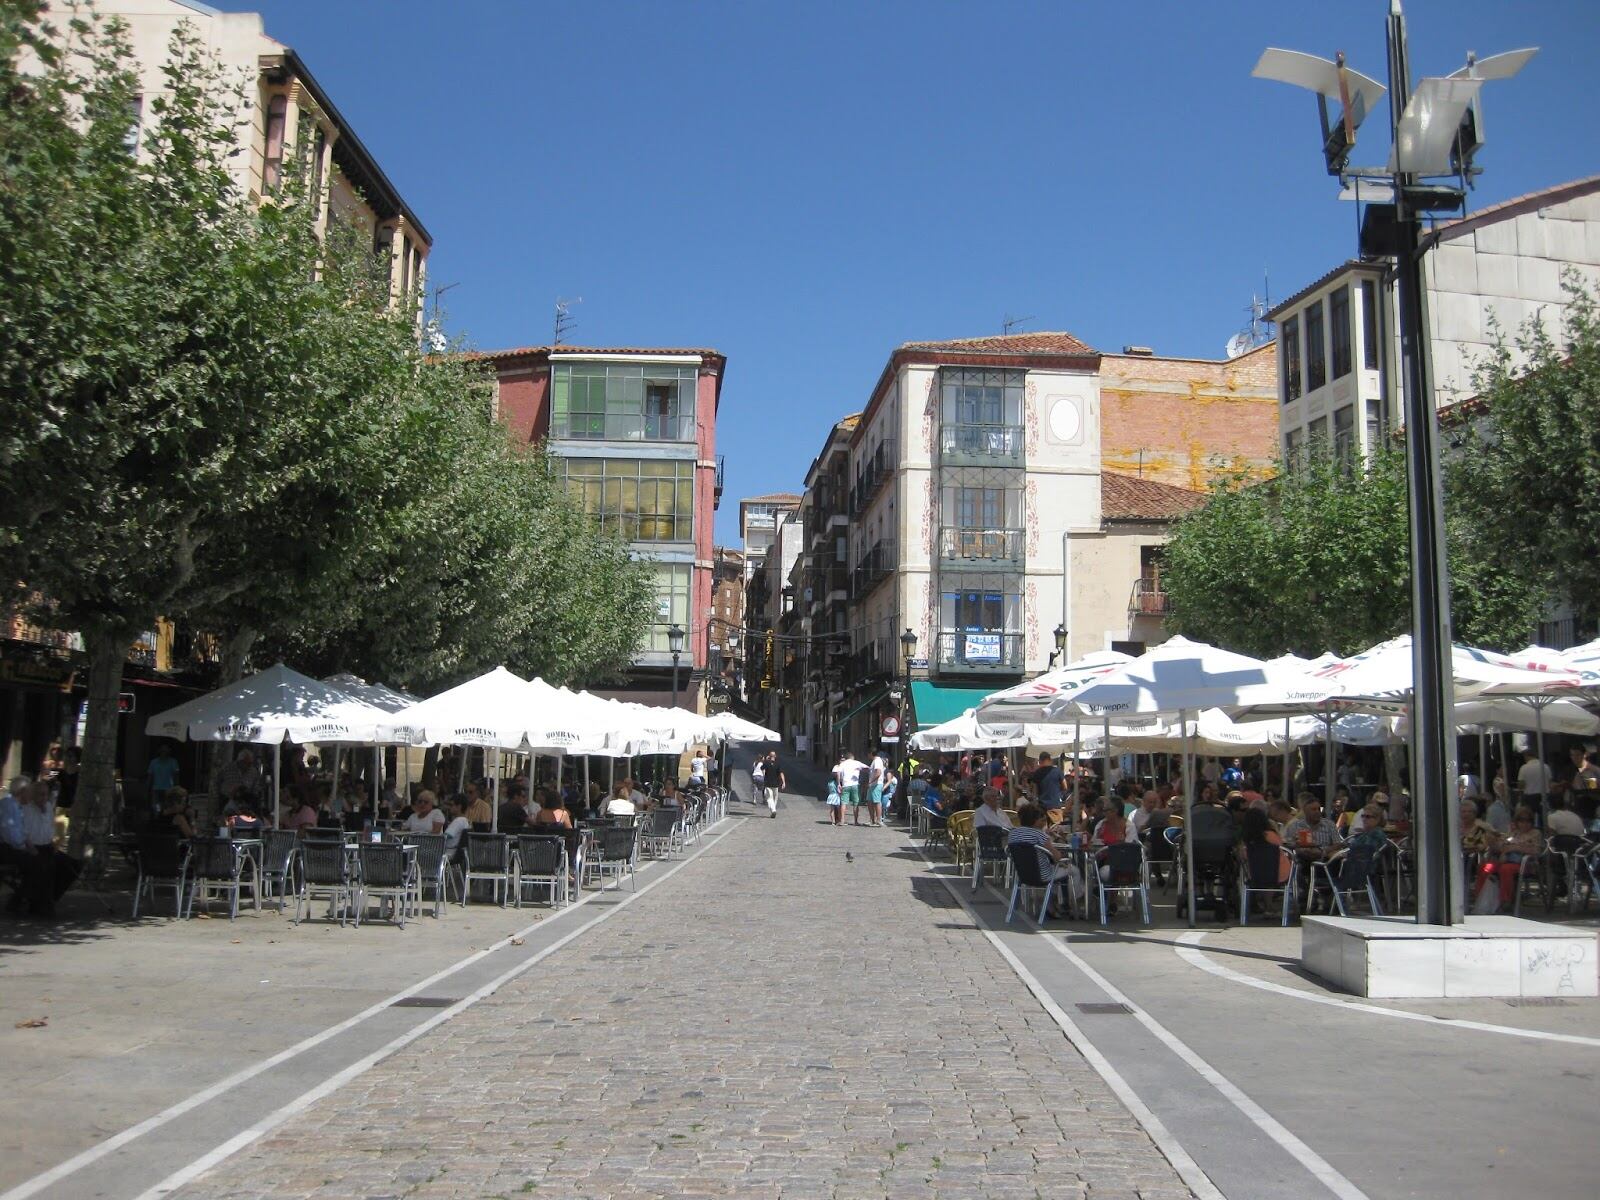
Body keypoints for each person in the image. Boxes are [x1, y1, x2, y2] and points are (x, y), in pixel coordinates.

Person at [1006, 803, 1076, 916]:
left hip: (1023, 874)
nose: (1044, 822)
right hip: (1042, 875)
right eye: (1042, 820)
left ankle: (1050, 905)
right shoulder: (1039, 834)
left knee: (1056, 871)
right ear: (1034, 820)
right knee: (1073, 870)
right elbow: (1057, 857)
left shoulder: (1013, 834)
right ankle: (1074, 904)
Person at [1476, 806, 1543, 912]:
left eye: (1528, 820)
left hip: (1525, 864)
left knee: (1506, 869)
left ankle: (1505, 901)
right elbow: (1501, 845)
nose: (1525, 823)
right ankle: (1480, 899)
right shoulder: (1513, 833)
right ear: (1516, 821)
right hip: (1505, 861)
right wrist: (1494, 842)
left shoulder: (1535, 833)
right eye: (1521, 820)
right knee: (1485, 867)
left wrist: (1514, 847)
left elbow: (1536, 850)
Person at [1238, 807, 1291, 885]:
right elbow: (1281, 848)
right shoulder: (1272, 835)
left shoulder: (1247, 841)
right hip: (1280, 874)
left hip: (1255, 875)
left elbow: (1243, 856)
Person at [834, 751, 867, 825]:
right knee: (856, 803)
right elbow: (867, 768)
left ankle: (842, 820)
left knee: (844, 803)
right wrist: (860, 771)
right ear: (853, 757)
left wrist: (839, 783)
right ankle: (855, 821)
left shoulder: (842, 764)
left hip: (845, 784)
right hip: (855, 785)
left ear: (846, 758)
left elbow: (838, 773)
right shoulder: (857, 763)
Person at [865, 748, 887, 827]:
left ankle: (878, 820)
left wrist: (870, 781)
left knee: (876, 801)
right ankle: (872, 820)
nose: (867, 756)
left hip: (876, 784)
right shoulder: (874, 761)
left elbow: (878, 772)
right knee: (869, 801)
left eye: (868, 754)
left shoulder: (877, 760)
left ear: (871, 753)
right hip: (872, 785)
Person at [761, 751, 785, 818]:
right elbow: (781, 773)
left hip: (768, 783)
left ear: (769, 756)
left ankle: (773, 810)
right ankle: (773, 810)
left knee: (769, 798)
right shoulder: (778, 764)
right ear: (775, 756)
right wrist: (783, 782)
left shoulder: (766, 762)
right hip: (776, 784)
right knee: (775, 798)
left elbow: (761, 768)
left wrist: (766, 760)